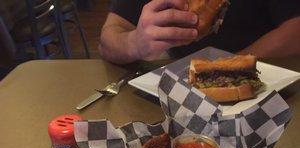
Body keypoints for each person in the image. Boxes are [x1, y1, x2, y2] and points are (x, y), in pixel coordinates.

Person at [99, 0, 300, 65]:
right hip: (177, 90)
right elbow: (109, 37)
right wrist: (135, 43)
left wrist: (229, 65)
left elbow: (295, 30)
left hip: (266, 84)